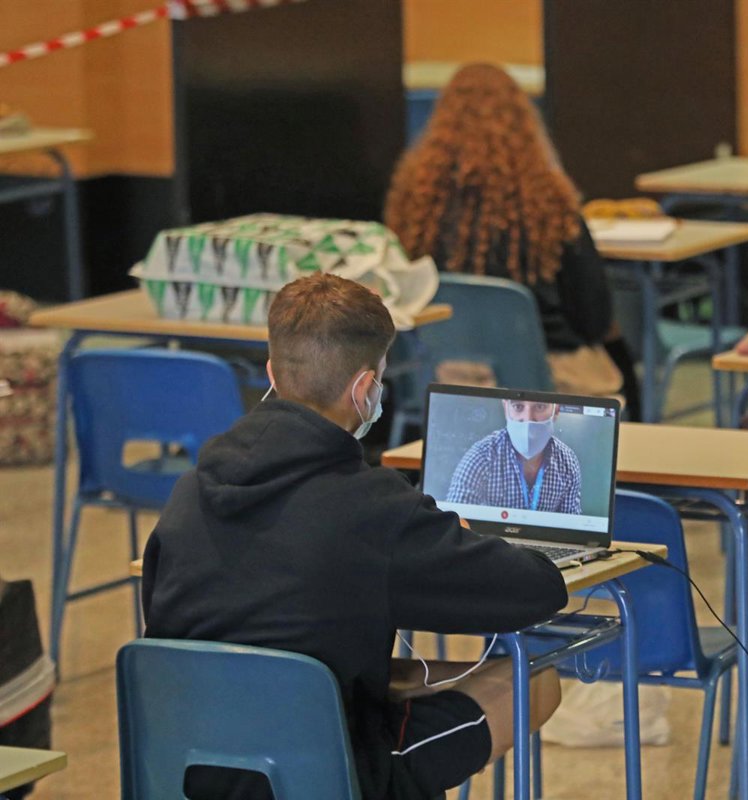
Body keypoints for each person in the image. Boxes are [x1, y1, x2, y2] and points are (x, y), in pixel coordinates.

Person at [141, 274, 567, 800]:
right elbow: (535, 591)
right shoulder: (375, 507)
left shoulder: (188, 493)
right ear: (365, 389)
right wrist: (448, 535)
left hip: (188, 767)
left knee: (391, 675)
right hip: (327, 773)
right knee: (535, 681)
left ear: (272, 372)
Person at [383, 62, 641, 419]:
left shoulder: (413, 206)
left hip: (447, 376)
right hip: (549, 379)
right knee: (622, 359)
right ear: (525, 123)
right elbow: (593, 317)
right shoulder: (550, 205)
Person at [447, 399, 582, 514]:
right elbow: (453, 522)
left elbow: (571, 526)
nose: (528, 419)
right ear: (506, 409)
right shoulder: (481, 456)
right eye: (518, 406)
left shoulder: (567, 461)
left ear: (556, 410)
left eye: (540, 406)